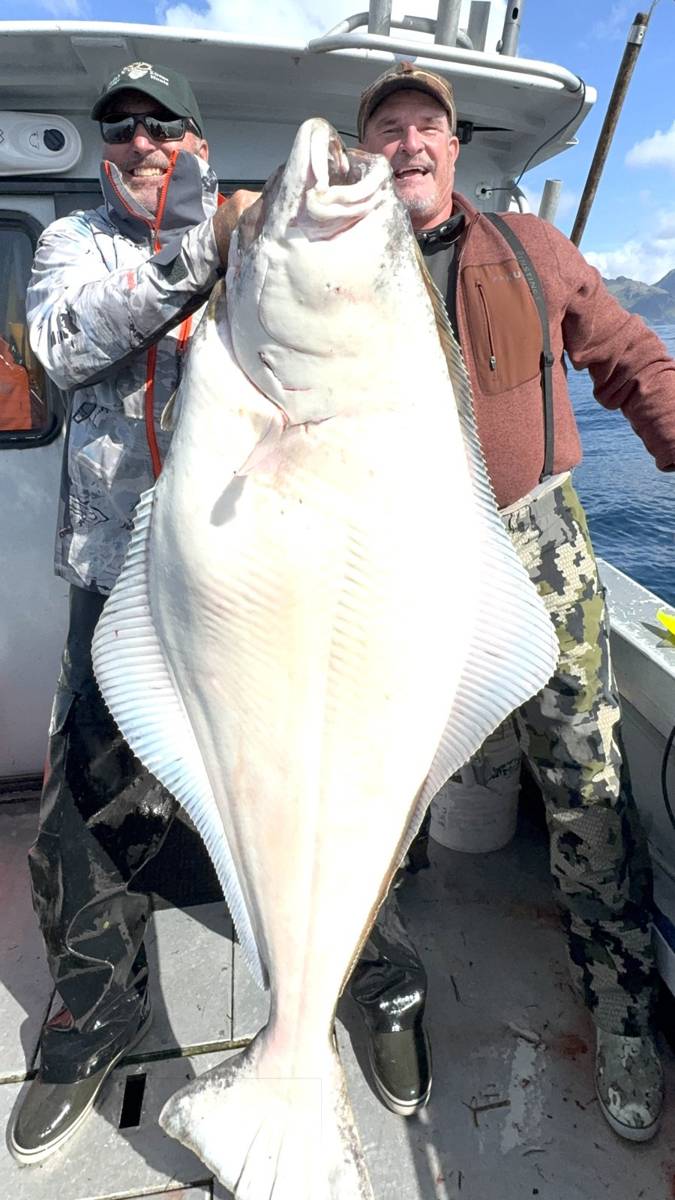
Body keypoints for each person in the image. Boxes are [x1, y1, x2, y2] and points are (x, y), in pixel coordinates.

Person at [9, 61, 430, 1166]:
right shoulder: (75, 247)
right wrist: (201, 254)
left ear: (193, 137)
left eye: (162, 125)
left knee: (349, 783)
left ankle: (372, 988)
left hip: (277, 583)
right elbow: (58, 347)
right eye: (121, 126)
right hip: (120, 584)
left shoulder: (258, 237)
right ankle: (94, 1015)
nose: (142, 142)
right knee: (84, 821)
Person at [357, 60, 675, 1144]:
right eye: (387, 128)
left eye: (425, 127)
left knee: (583, 775)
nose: (407, 143)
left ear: (455, 148)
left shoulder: (531, 250)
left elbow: (627, 353)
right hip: (393, 560)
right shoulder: (339, 264)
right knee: (385, 785)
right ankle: (375, 978)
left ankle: (624, 1005)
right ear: (368, 153)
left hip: (540, 544)